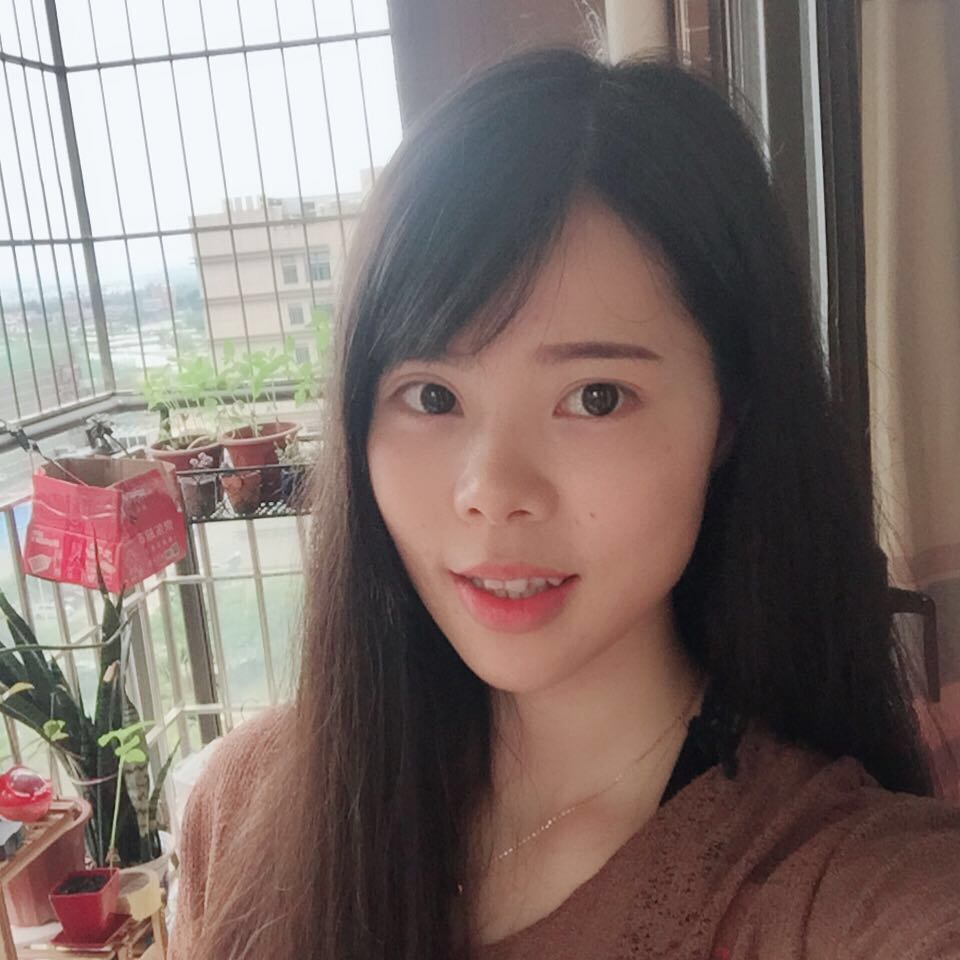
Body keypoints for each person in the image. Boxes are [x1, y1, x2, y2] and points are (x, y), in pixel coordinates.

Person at [168, 47, 960, 960]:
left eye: (595, 397)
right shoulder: (246, 808)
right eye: (433, 396)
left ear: (729, 416)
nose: (493, 493)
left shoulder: (825, 885)